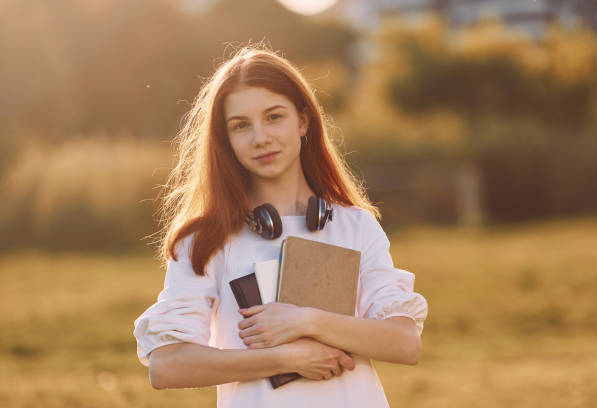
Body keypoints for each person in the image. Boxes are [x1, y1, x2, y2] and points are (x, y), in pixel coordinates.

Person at [133, 44, 428, 408]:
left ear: (303, 121)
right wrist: (286, 358)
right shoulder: (204, 240)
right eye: (241, 126)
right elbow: (166, 366)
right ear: (226, 140)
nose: (260, 138)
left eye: (274, 117)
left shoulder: (356, 226)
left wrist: (306, 321)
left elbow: (405, 344)